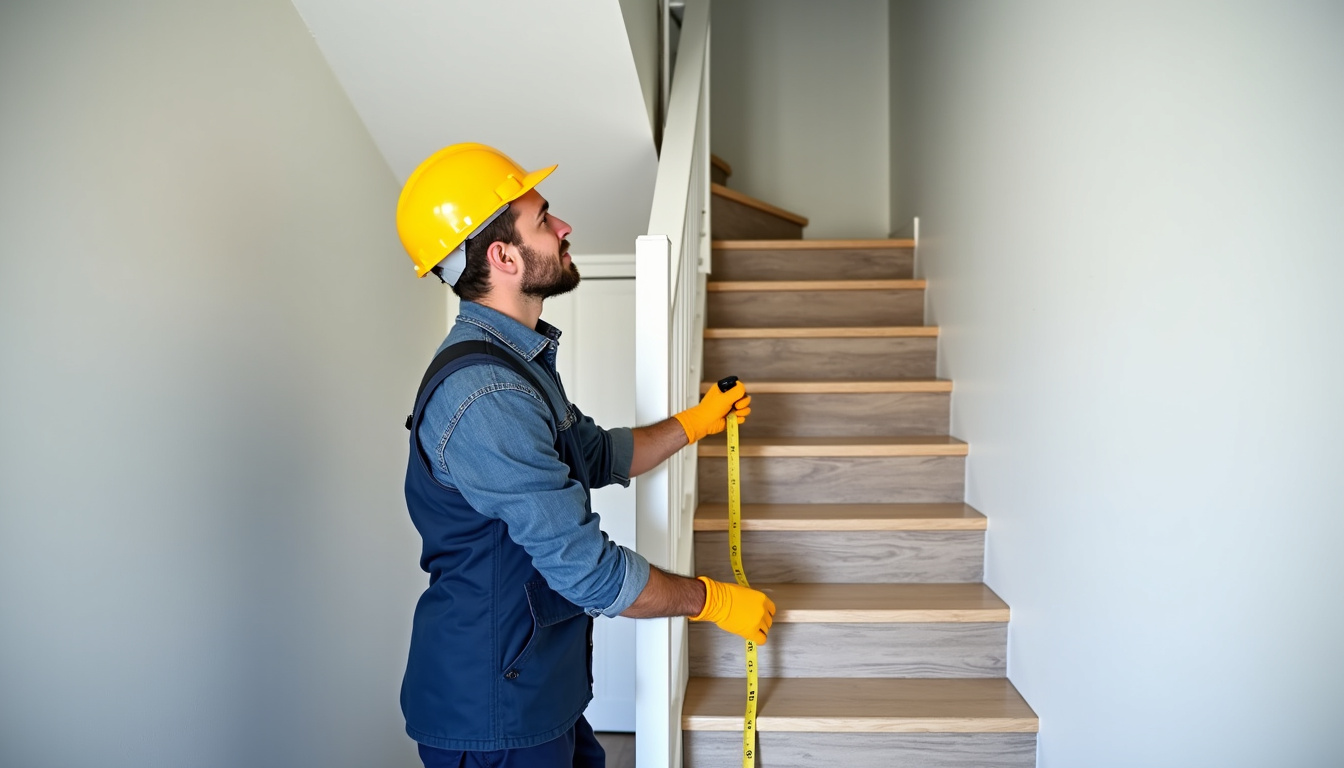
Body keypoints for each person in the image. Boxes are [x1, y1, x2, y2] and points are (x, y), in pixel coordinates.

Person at [394, 142, 775, 768]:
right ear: (503, 256)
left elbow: (595, 455)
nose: (565, 227)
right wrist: (711, 599)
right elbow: (587, 572)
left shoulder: (518, 362)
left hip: (539, 685)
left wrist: (695, 422)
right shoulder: (486, 393)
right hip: (494, 706)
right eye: (544, 219)